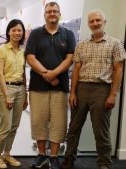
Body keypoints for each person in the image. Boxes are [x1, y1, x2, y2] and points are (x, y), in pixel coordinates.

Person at [61, 10, 126, 169]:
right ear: (89, 24)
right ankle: (68, 159)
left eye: (98, 20)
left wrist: (112, 95)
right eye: (92, 21)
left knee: (101, 131)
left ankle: (104, 163)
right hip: (81, 88)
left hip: (102, 90)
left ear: (104, 22)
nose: (95, 23)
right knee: (73, 128)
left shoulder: (115, 43)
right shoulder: (82, 44)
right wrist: (73, 92)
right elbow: (76, 69)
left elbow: (119, 69)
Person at [25, 2, 76, 169]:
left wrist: (54, 74)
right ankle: (41, 154)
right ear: (44, 14)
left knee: (59, 122)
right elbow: (30, 57)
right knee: (38, 121)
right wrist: (46, 74)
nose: (52, 13)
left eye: (55, 11)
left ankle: (54, 156)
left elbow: (70, 58)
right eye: (49, 11)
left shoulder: (68, 34)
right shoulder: (35, 34)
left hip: (60, 88)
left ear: (59, 14)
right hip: (38, 87)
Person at [0, 19, 28, 169]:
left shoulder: (23, 51)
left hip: (20, 89)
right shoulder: (1, 50)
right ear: (8, 32)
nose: (17, 33)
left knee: (14, 125)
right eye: (14, 30)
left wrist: (25, 93)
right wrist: (6, 95)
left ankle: (7, 154)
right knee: (5, 125)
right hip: (5, 88)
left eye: (19, 30)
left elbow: (23, 73)